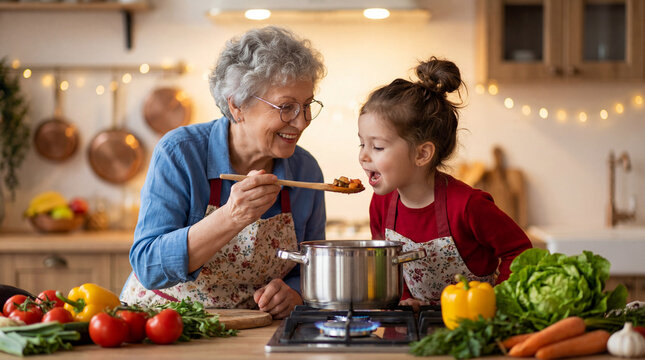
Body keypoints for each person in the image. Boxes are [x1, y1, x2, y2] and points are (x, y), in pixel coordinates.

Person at [120, 26, 327, 319]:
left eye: (307, 106)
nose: (302, 122)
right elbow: (149, 266)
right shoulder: (180, 152)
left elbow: (312, 269)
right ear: (237, 105)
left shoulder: (306, 170)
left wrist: (295, 292)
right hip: (168, 324)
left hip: (255, 330)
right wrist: (231, 217)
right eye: (286, 107)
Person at [357, 57, 532, 309]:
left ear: (422, 154)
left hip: (476, 324)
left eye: (378, 146)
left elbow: (520, 251)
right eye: (361, 143)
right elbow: (388, 264)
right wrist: (405, 297)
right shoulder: (381, 204)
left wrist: (499, 301)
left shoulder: (468, 206)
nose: (363, 155)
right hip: (418, 327)